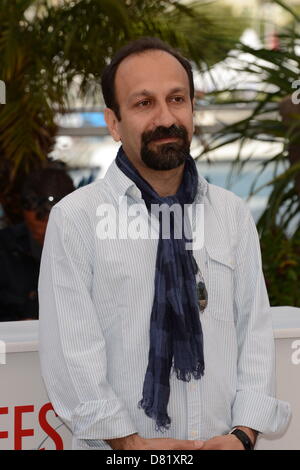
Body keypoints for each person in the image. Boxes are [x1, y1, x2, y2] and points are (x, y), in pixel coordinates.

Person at [38, 37, 291, 450]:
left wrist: (243, 435)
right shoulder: (76, 219)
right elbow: (71, 353)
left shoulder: (230, 213)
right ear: (114, 122)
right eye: (143, 103)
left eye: (177, 99)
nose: (165, 117)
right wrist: (131, 446)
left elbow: (255, 336)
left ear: (193, 109)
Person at [0, 167, 75, 321]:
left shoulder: (88, 248)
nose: (43, 222)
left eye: (51, 214)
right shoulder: (4, 248)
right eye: (36, 212)